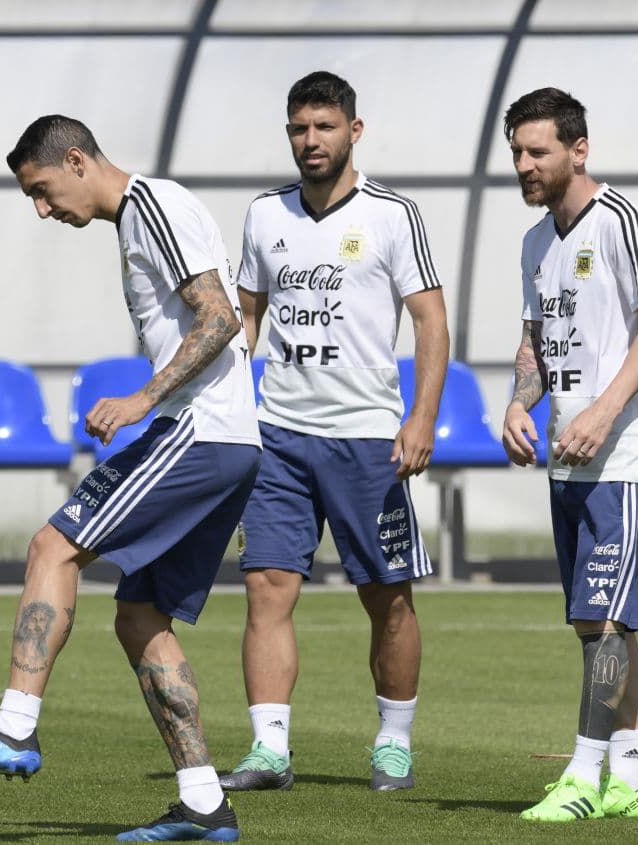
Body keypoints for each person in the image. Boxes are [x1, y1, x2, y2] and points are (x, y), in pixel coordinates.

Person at [0, 115, 261, 843]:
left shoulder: (153, 206)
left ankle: (14, 727)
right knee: (140, 616)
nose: (43, 210)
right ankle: (204, 803)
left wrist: (143, 399)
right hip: (222, 439)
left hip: (198, 432)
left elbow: (222, 318)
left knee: (53, 546)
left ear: (76, 160)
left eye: (42, 190)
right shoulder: (136, 221)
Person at [217, 71, 450, 794]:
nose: (310, 140)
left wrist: (421, 417)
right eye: (299, 128)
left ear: (354, 130)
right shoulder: (265, 214)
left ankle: (393, 743)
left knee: (388, 596)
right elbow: (246, 317)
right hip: (280, 435)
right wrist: (228, 405)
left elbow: (431, 321)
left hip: (367, 439)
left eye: (323, 126)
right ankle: (269, 749)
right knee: (267, 587)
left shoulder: (393, 214)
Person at [500, 87, 638, 822]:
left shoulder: (622, 222)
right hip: (568, 462)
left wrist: (603, 413)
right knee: (595, 625)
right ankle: (629, 779)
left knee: (604, 622)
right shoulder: (535, 243)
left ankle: (581, 775)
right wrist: (519, 403)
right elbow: (536, 342)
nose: (524, 164)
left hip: (625, 462)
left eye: (537, 151)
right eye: (516, 152)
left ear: (579, 150)